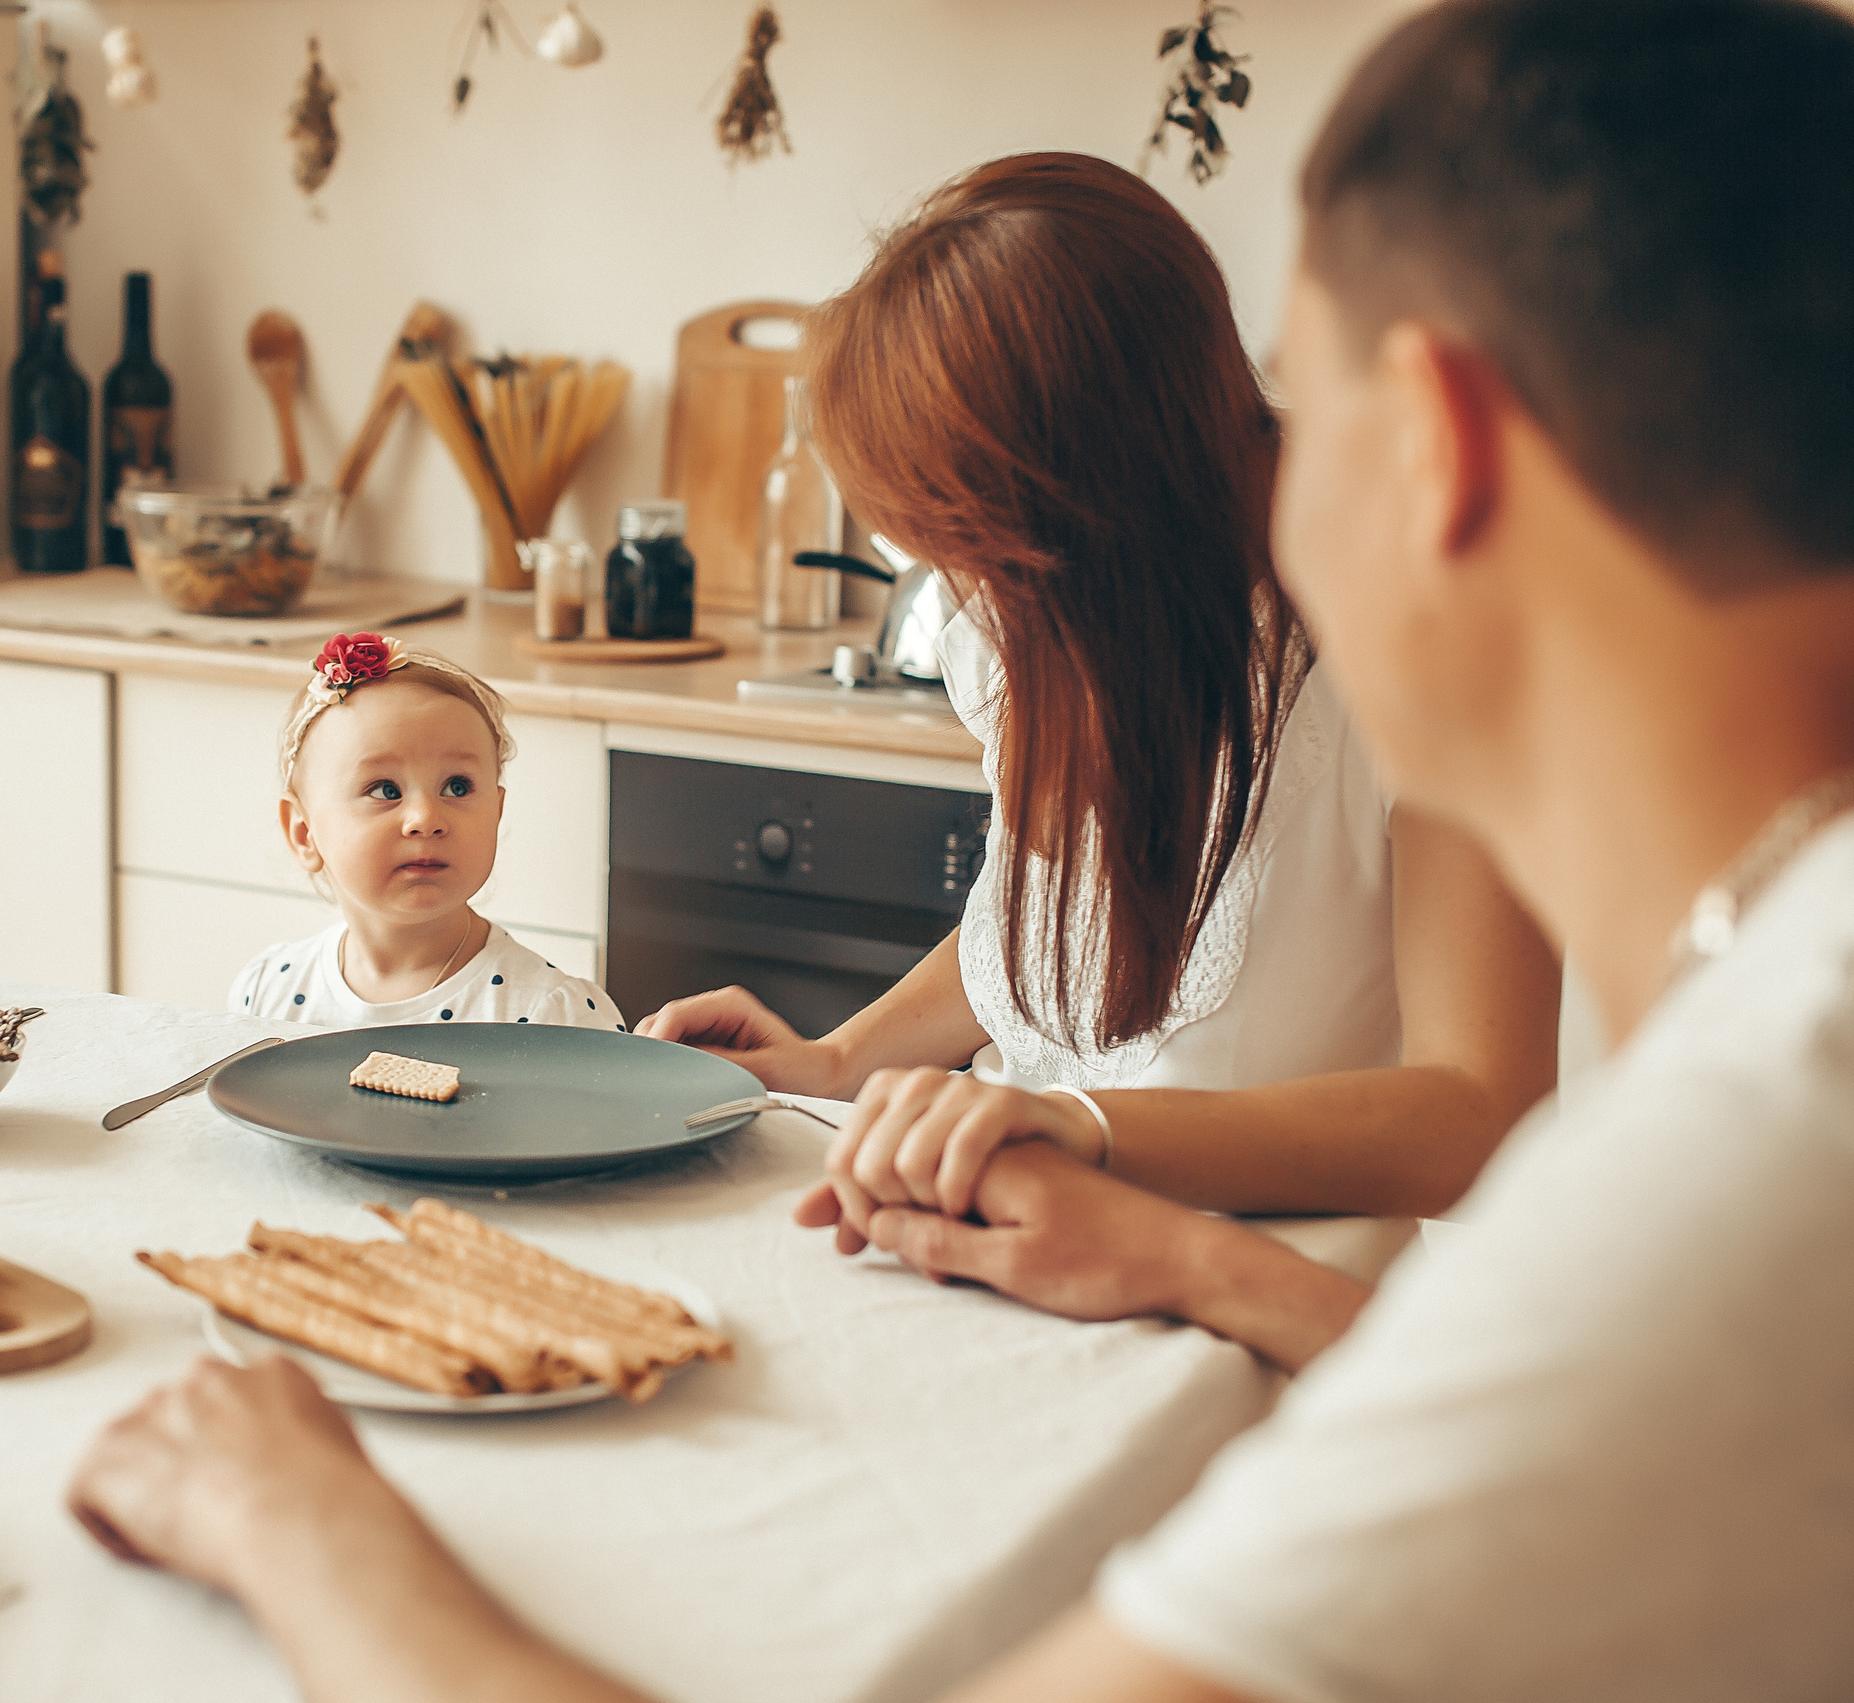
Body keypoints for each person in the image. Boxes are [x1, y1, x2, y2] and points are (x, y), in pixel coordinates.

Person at [66, 1, 1854, 1700]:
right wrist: (1122, 1216)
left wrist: (296, 1525)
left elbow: (1539, 1273)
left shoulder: (1746, 1144)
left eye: (1301, 393)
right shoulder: (1769, 1000)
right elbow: (1532, 1385)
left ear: (1440, 449)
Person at [635, 153, 1560, 1263]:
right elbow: (1045, 928)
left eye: (976, 554)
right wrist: (844, 1060)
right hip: (1013, 1236)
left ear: (1086, 513)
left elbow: (1478, 1109)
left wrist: (1087, 1131)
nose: (969, 600)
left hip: (1251, 1303)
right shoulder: (1040, 615)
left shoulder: (1426, 626)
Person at [232, 631, 621, 1032]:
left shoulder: (555, 1016)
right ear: (304, 833)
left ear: (497, 811)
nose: (426, 818)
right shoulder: (268, 991)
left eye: (458, 787)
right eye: (385, 790)